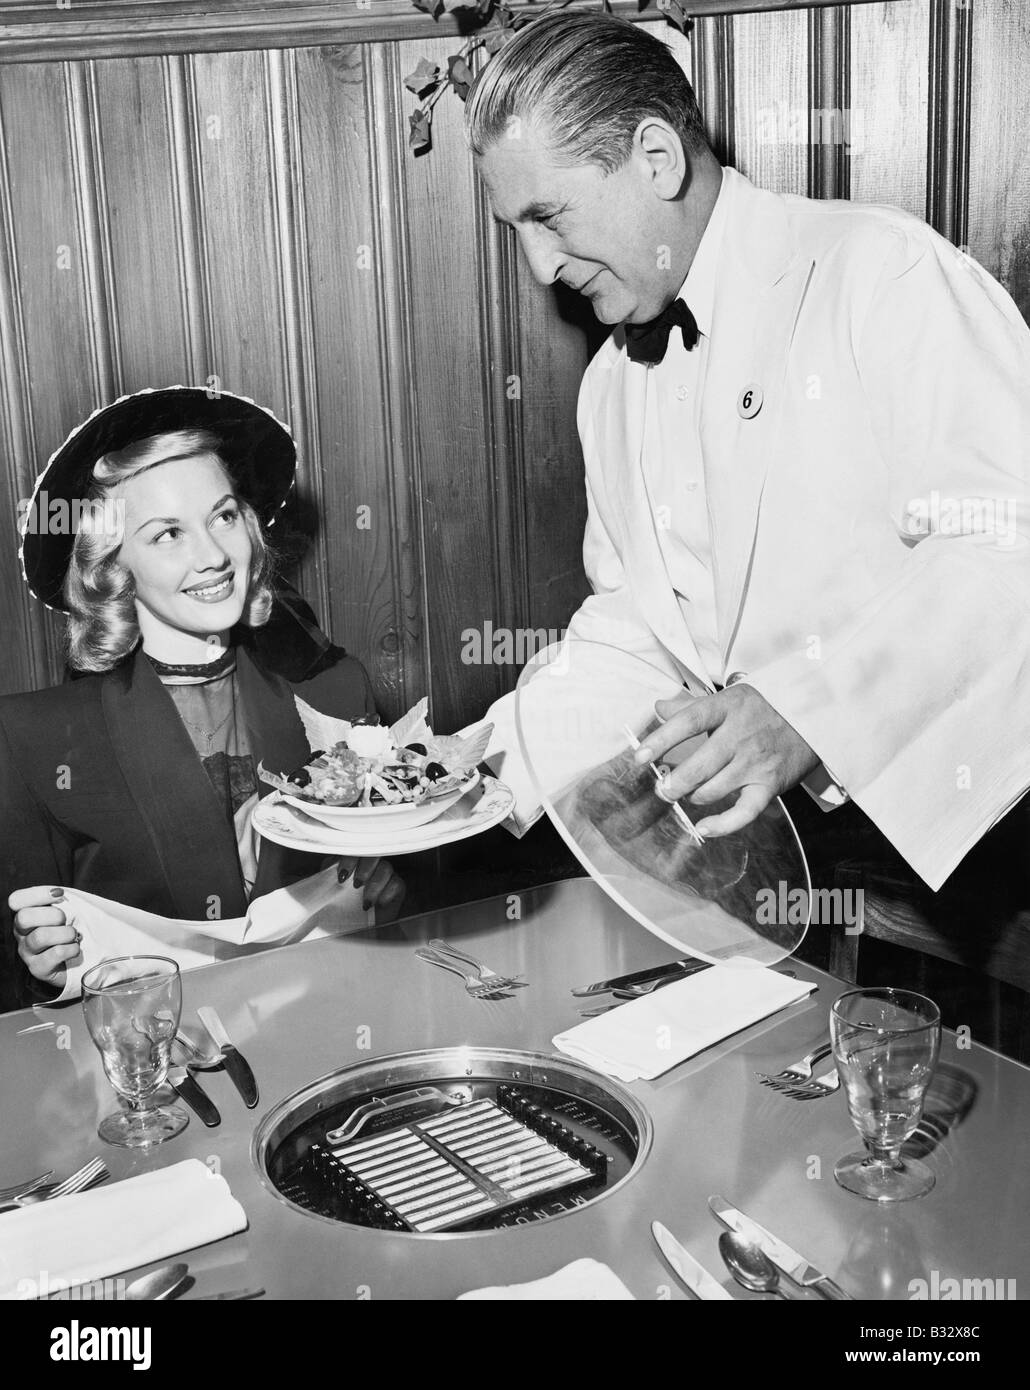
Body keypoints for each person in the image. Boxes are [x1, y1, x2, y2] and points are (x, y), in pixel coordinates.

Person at [463, 11, 1030, 898]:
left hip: (975, 857)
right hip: (775, 876)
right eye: (516, 230)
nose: (538, 268)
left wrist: (809, 713)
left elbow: (1011, 544)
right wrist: (459, 771)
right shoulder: (610, 383)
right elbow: (638, 636)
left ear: (656, 157)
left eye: (548, 216)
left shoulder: (879, 274)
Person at [1, 387, 405, 1012]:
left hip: (335, 1030)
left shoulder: (335, 692)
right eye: (167, 534)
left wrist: (386, 892)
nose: (215, 556)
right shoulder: (34, 740)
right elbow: (29, 986)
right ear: (113, 564)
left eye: (222, 516)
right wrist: (43, 965)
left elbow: (391, 909)